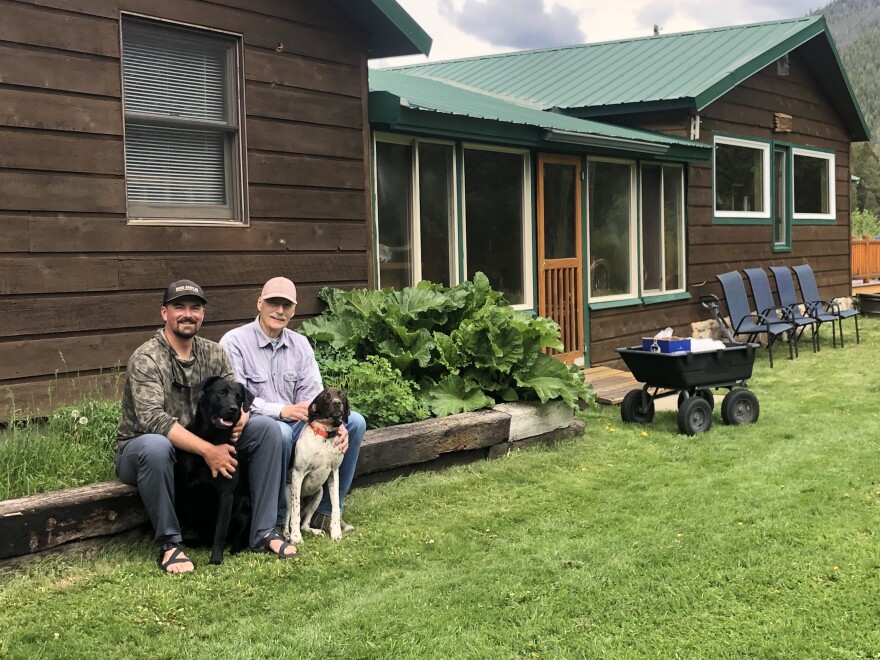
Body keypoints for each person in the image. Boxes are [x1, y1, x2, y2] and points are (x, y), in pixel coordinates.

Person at [115, 279, 297, 573]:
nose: (188, 314)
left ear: (202, 314)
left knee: (267, 429)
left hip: (200, 444)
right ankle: (170, 544)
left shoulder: (214, 353)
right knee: (156, 445)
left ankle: (263, 531)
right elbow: (153, 421)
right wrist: (209, 450)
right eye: (180, 307)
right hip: (142, 450)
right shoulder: (147, 358)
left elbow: (239, 397)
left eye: (195, 308)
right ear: (165, 313)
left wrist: (242, 419)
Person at [220, 277, 366, 534]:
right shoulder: (234, 342)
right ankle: (277, 521)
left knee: (355, 423)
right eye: (273, 303)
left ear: (294, 310)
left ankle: (326, 514)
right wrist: (281, 410)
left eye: (286, 305)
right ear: (259, 304)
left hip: (299, 424)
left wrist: (336, 424)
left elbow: (314, 397)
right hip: (255, 425)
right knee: (281, 432)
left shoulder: (300, 345)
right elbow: (235, 398)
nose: (279, 310)